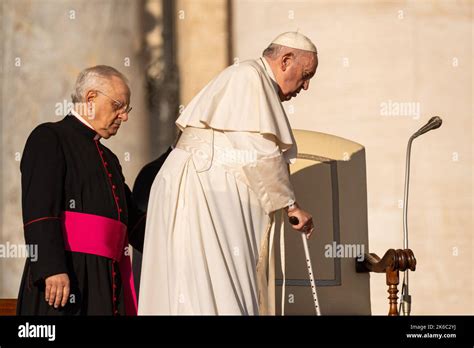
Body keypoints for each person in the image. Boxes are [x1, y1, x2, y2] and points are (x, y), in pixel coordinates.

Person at [139, 32, 318, 315]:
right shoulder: (249, 77)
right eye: (306, 74)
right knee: (207, 282)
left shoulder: (248, 77)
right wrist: (291, 206)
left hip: (200, 184)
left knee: (194, 282)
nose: (306, 86)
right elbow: (260, 153)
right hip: (204, 189)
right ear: (285, 61)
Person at [17, 65, 146, 315]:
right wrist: (51, 267)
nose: (124, 116)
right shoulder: (50, 137)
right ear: (90, 98)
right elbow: (39, 209)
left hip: (107, 278)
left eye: (126, 109)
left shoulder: (108, 157)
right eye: (118, 106)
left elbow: (133, 220)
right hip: (67, 275)